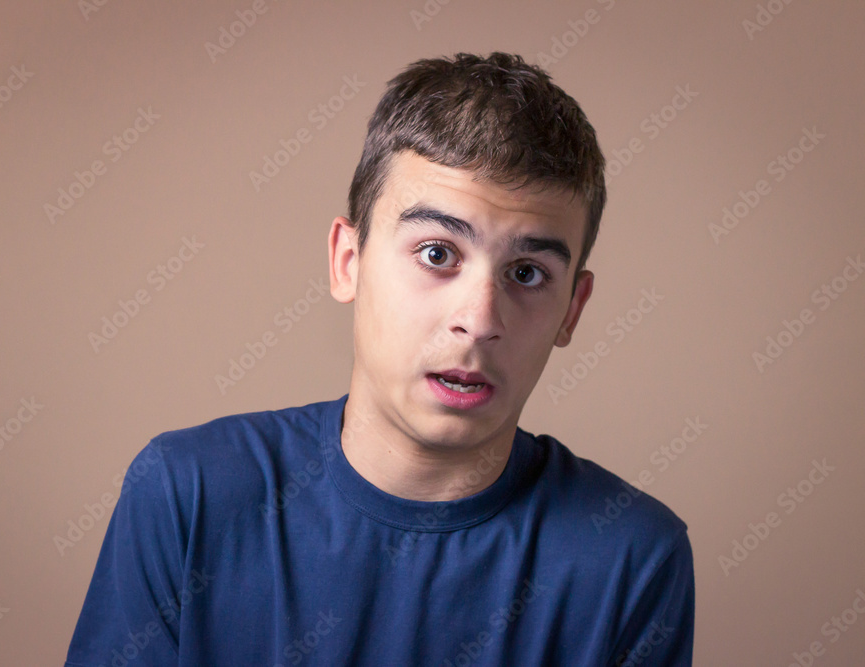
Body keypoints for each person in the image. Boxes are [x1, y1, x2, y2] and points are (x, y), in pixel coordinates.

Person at [64, 52, 694, 666]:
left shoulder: (631, 558)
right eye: (437, 254)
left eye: (527, 273)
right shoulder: (188, 494)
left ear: (572, 311)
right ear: (349, 261)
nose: (478, 320)